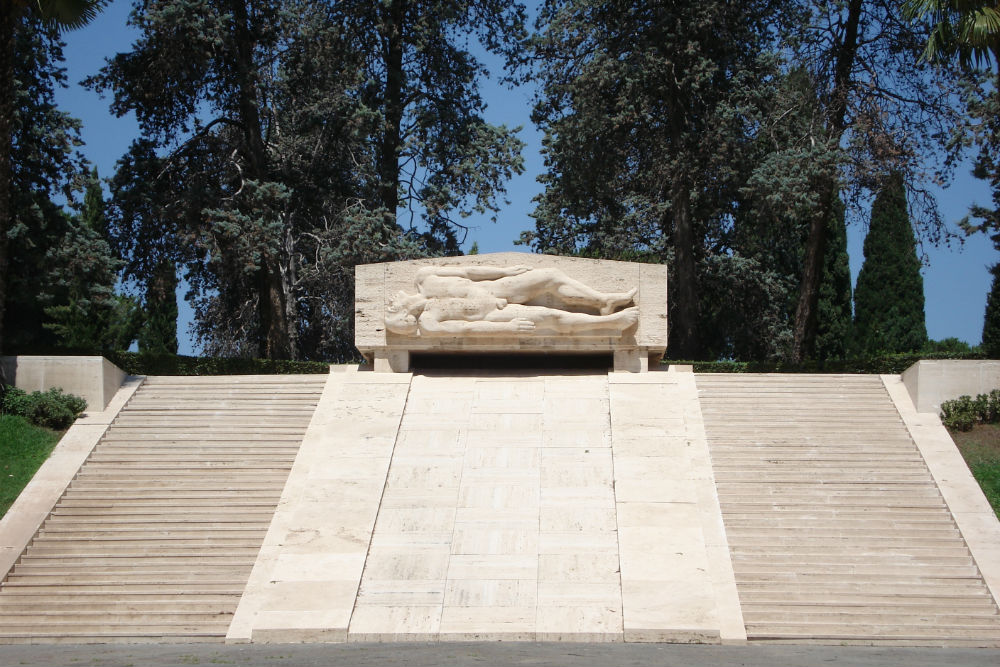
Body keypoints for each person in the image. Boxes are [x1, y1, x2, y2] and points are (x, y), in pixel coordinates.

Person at [385, 265, 639, 336]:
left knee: (550, 275)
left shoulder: (423, 277)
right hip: (490, 315)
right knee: (549, 318)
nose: (392, 300)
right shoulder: (429, 321)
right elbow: (467, 328)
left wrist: (504, 272)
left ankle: (602, 300)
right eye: (410, 320)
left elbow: (468, 272)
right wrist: (507, 328)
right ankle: (612, 323)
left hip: (493, 288)